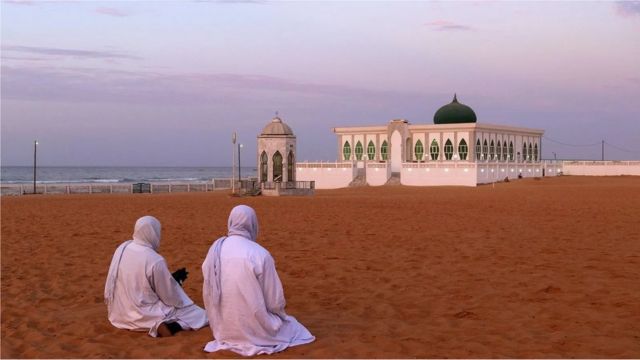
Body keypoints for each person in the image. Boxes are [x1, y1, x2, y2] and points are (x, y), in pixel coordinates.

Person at [202, 205, 315, 356]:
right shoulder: (259, 253)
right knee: (299, 331)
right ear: (253, 224)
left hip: (222, 329)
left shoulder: (214, 251)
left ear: (231, 222)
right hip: (255, 328)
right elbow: (275, 301)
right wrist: (279, 316)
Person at [104, 216, 208, 337]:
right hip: (143, 314)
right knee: (200, 315)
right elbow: (169, 297)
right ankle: (172, 326)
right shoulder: (154, 259)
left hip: (118, 313)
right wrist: (176, 286)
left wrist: (171, 280)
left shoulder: (123, 247)